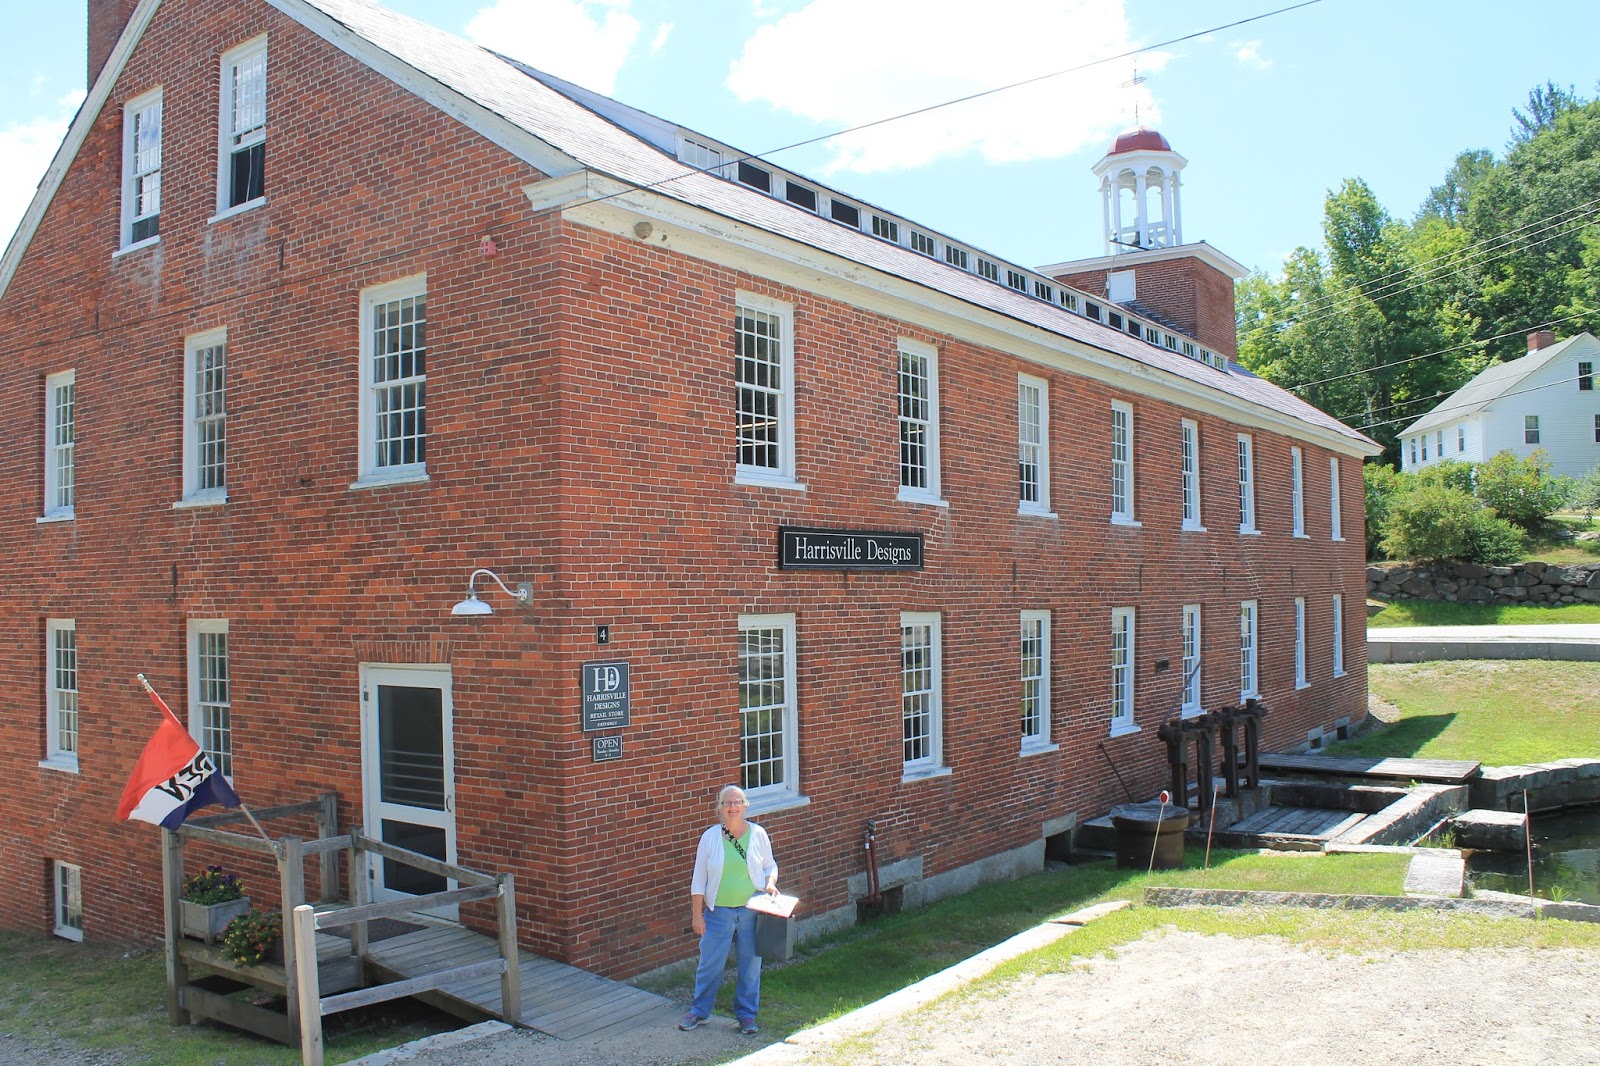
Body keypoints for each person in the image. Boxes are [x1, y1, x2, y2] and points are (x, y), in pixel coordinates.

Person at [681, 783, 778, 1036]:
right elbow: (698, 880)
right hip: (718, 913)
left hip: (751, 911)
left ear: (745, 806)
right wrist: (697, 914)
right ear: (720, 808)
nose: (732, 806)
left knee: (750, 965)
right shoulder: (710, 837)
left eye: (737, 802)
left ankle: (746, 1016)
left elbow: (770, 866)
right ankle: (700, 1011)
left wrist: (770, 883)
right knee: (710, 965)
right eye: (727, 802)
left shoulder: (758, 834)